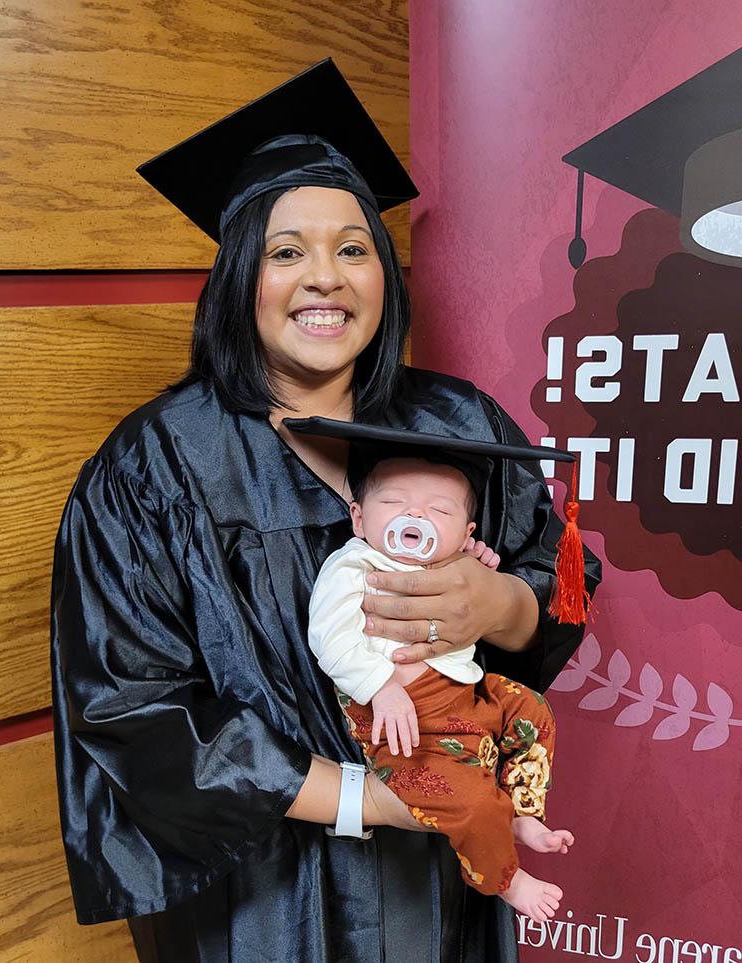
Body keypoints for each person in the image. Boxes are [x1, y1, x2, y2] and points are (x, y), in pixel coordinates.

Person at [50, 60, 601, 963]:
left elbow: (559, 579)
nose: (326, 278)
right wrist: (366, 799)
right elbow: (128, 707)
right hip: (262, 896)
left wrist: (500, 605)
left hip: (438, 880)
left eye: (353, 248)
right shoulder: (155, 465)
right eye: (286, 251)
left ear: (383, 273)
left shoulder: (459, 425)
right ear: (240, 278)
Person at [304, 436, 577, 924]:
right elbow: (329, 634)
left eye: (440, 511)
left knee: (531, 709)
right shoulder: (354, 567)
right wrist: (380, 686)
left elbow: (475, 580)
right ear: (359, 518)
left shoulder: (452, 562)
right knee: (465, 797)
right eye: (393, 503)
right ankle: (505, 879)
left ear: (465, 531)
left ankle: (520, 810)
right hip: (403, 719)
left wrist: (481, 565)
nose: (416, 516)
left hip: (467, 696)